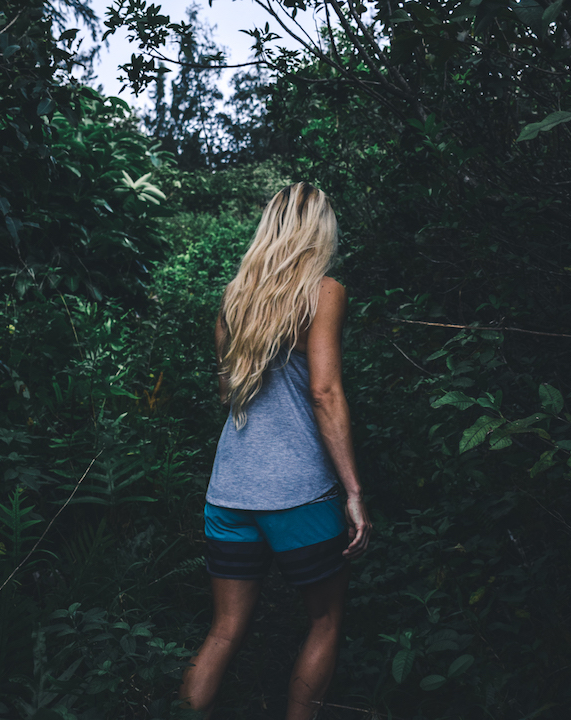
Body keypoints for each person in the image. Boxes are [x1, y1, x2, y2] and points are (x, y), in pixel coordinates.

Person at [178, 183, 372, 720]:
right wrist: (353, 492)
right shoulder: (324, 291)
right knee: (325, 620)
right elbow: (324, 392)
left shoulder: (233, 298)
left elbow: (226, 395)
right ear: (319, 232)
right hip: (297, 493)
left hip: (230, 490)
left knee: (224, 630)